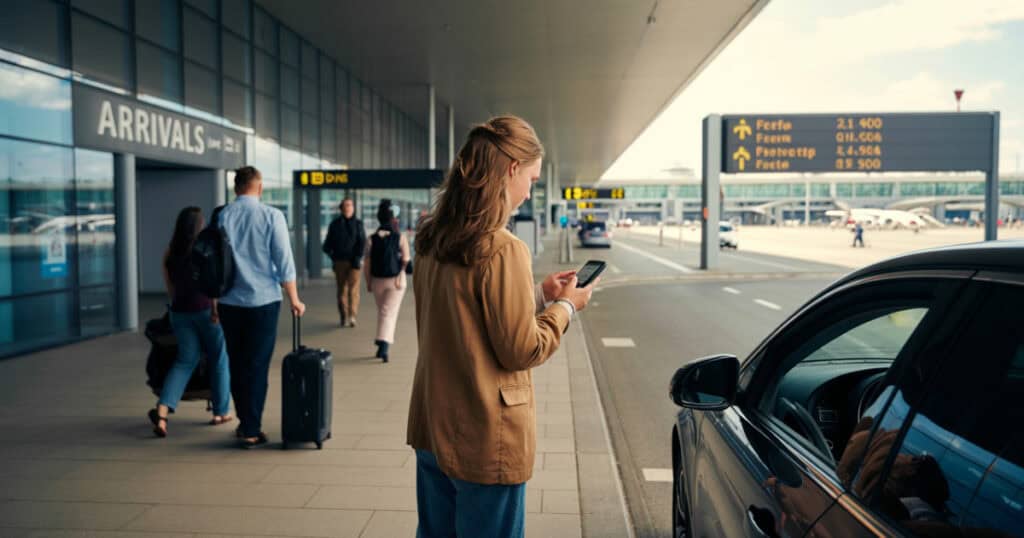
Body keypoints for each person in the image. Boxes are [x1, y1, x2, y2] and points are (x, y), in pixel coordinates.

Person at [407, 116, 596, 537]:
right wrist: (566, 307)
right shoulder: (503, 248)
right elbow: (521, 350)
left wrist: (539, 295)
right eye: (531, 178)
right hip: (484, 437)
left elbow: (463, 317)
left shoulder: (432, 240)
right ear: (511, 169)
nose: (529, 191)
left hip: (433, 426)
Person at [217, 166, 305, 449]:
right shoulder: (271, 216)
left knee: (236, 362)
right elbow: (283, 260)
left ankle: (246, 421)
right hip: (263, 302)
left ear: (236, 188)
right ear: (260, 187)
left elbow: (214, 263)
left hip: (229, 302)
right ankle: (251, 428)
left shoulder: (222, 216)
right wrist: (294, 299)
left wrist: (214, 303)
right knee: (257, 364)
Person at [148, 206, 232, 437]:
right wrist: (215, 309)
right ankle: (221, 412)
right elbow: (211, 283)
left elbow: (171, 288)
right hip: (205, 311)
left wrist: (176, 309)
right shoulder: (202, 248)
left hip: (180, 312)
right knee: (219, 358)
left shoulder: (169, 252)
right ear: (198, 225)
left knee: (185, 360)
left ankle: (162, 411)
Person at [363, 199, 410, 362]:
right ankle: (383, 345)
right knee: (388, 312)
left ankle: (382, 343)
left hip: (377, 281)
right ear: (392, 219)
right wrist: (401, 271)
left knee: (384, 311)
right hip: (396, 281)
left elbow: (367, 264)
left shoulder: (371, 239)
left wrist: (368, 282)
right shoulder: (400, 237)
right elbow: (406, 259)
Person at [322, 198, 366, 328]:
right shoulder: (335, 224)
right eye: (346, 205)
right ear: (341, 208)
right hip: (340, 262)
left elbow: (362, 242)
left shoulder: (358, 224)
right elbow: (326, 245)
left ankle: (352, 316)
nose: (348, 208)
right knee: (342, 291)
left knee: (353, 290)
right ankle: (344, 316)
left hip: (354, 262)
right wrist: (334, 257)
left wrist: (358, 257)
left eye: (350, 205)